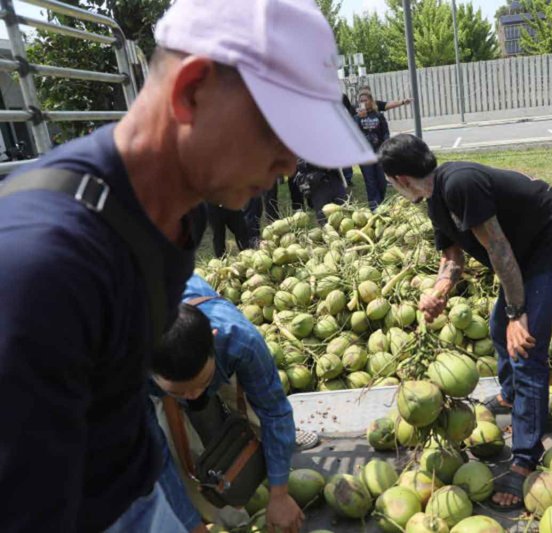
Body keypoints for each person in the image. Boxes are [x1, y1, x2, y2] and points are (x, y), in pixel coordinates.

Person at [0, 0, 374, 530]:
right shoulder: (40, 266)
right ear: (192, 90)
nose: (291, 164)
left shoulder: (180, 218)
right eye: (279, 134)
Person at [378, 134, 552, 510]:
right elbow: (453, 259)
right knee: (494, 331)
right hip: (522, 255)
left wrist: (518, 315)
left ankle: (524, 461)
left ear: (400, 179)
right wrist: (439, 290)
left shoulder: (460, 183)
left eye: (390, 182)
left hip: (550, 243)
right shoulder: (436, 200)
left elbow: (498, 248)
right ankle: (511, 393)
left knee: (525, 347)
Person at [151, 274, 304, 532]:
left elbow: (274, 409)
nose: (193, 395)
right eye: (182, 391)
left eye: (201, 382)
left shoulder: (238, 339)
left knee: (253, 421)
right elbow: (154, 458)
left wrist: (279, 495)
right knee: (173, 446)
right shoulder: (125, 372)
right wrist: (193, 525)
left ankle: (275, 459)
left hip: (217, 349)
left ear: (212, 339)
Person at [355, 90, 391, 210]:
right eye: (361, 101)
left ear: (371, 101)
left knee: (381, 180)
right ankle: (374, 206)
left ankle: (381, 200)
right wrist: (358, 119)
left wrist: (386, 146)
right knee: (370, 181)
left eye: (365, 100)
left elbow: (385, 132)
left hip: (379, 153)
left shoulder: (378, 115)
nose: (363, 103)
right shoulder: (357, 118)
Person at [293, 158, 347, 224]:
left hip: (334, 179)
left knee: (344, 213)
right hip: (318, 184)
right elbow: (300, 163)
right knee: (324, 219)